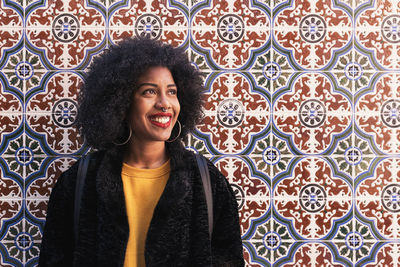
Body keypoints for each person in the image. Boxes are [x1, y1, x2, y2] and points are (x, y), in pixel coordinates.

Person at [38, 37, 244, 267]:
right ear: (121, 102)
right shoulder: (80, 181)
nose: (165, 103)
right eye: (149, 92)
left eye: (172, 91)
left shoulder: (206, 180)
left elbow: (229, 259)